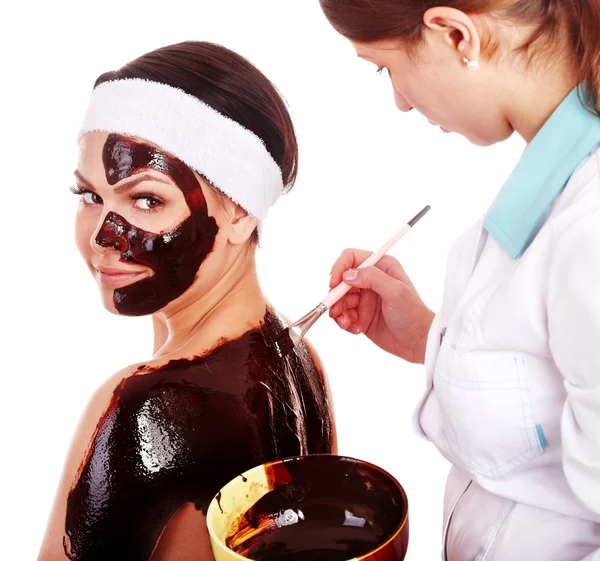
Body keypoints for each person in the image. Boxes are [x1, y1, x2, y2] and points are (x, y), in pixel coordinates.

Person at [321, 1, 600, 559]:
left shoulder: (589, 227)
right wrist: (428, 335)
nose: (399, 101)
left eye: (384, 68)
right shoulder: (555, 171)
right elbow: (544, 370)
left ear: (454, 34)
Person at [38, 41, 336, 561]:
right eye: (89, 196)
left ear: (240, 212)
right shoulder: (297, 356)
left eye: (146, 198)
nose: (102, 236)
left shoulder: (145, 403)